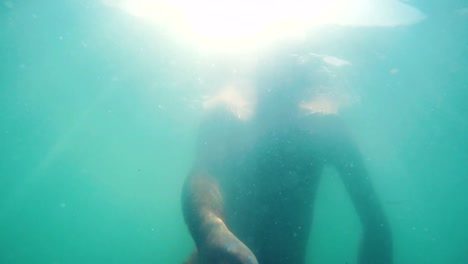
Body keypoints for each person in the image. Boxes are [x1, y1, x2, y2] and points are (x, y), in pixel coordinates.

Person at [181, 53, 393, 264]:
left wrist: (209, 230)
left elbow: (376, 225)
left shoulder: (326, 130)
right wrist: (210, 230)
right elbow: (204, 174)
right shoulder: (225, 118)